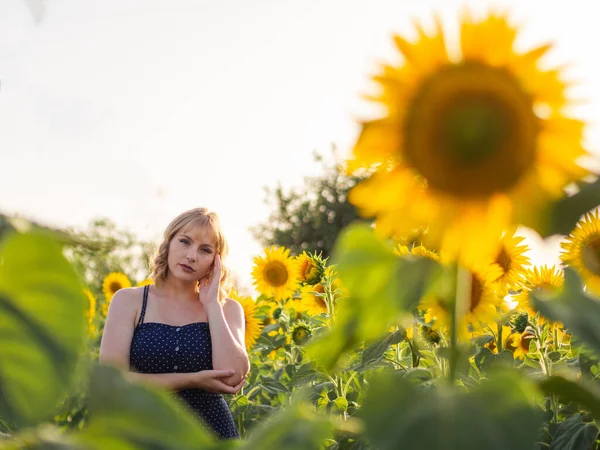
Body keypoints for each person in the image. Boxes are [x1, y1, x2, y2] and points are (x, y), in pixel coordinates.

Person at [99, 207, 249, 439]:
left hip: (211, 435)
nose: (191, 255)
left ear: (215, 262)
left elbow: (232, 377)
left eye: (205, 250)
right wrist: (192, 380)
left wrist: (212, 304)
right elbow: (111, 383)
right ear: (168, 244)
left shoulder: (227, 310)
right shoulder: (129, 301)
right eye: (185, 242)